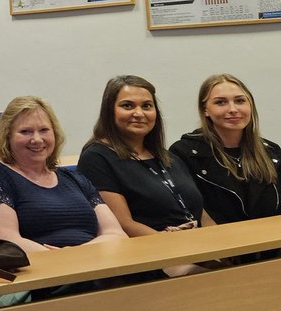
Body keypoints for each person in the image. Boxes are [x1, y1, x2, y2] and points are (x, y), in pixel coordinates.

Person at [0, 96, 126, 253]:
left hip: (93, 267)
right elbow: (4, 242)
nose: (37, 139)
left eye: (44, 130)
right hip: (38, 273)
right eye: (25, 131)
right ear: (7, 137)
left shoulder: (74, 178)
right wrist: (63, 259)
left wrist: (78, 255)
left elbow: (116, 234)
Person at [78, 75, 209, 236]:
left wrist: (221, 248)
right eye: (127, 106)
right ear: (109, 111)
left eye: (147, 106)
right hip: (152, 253)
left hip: (196, 247)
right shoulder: (96, 158)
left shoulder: (168, 157)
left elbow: (201, 213)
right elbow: (123, 225)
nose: (139, 113)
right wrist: (181, 248)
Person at [169, 74, 281, 223]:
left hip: (274, 243)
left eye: (240, 101)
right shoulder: (184, 153)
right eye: (221, 102)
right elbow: (188, 213)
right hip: (217, 244)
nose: (233, 109)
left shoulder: (271, 152)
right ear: (205, 110)